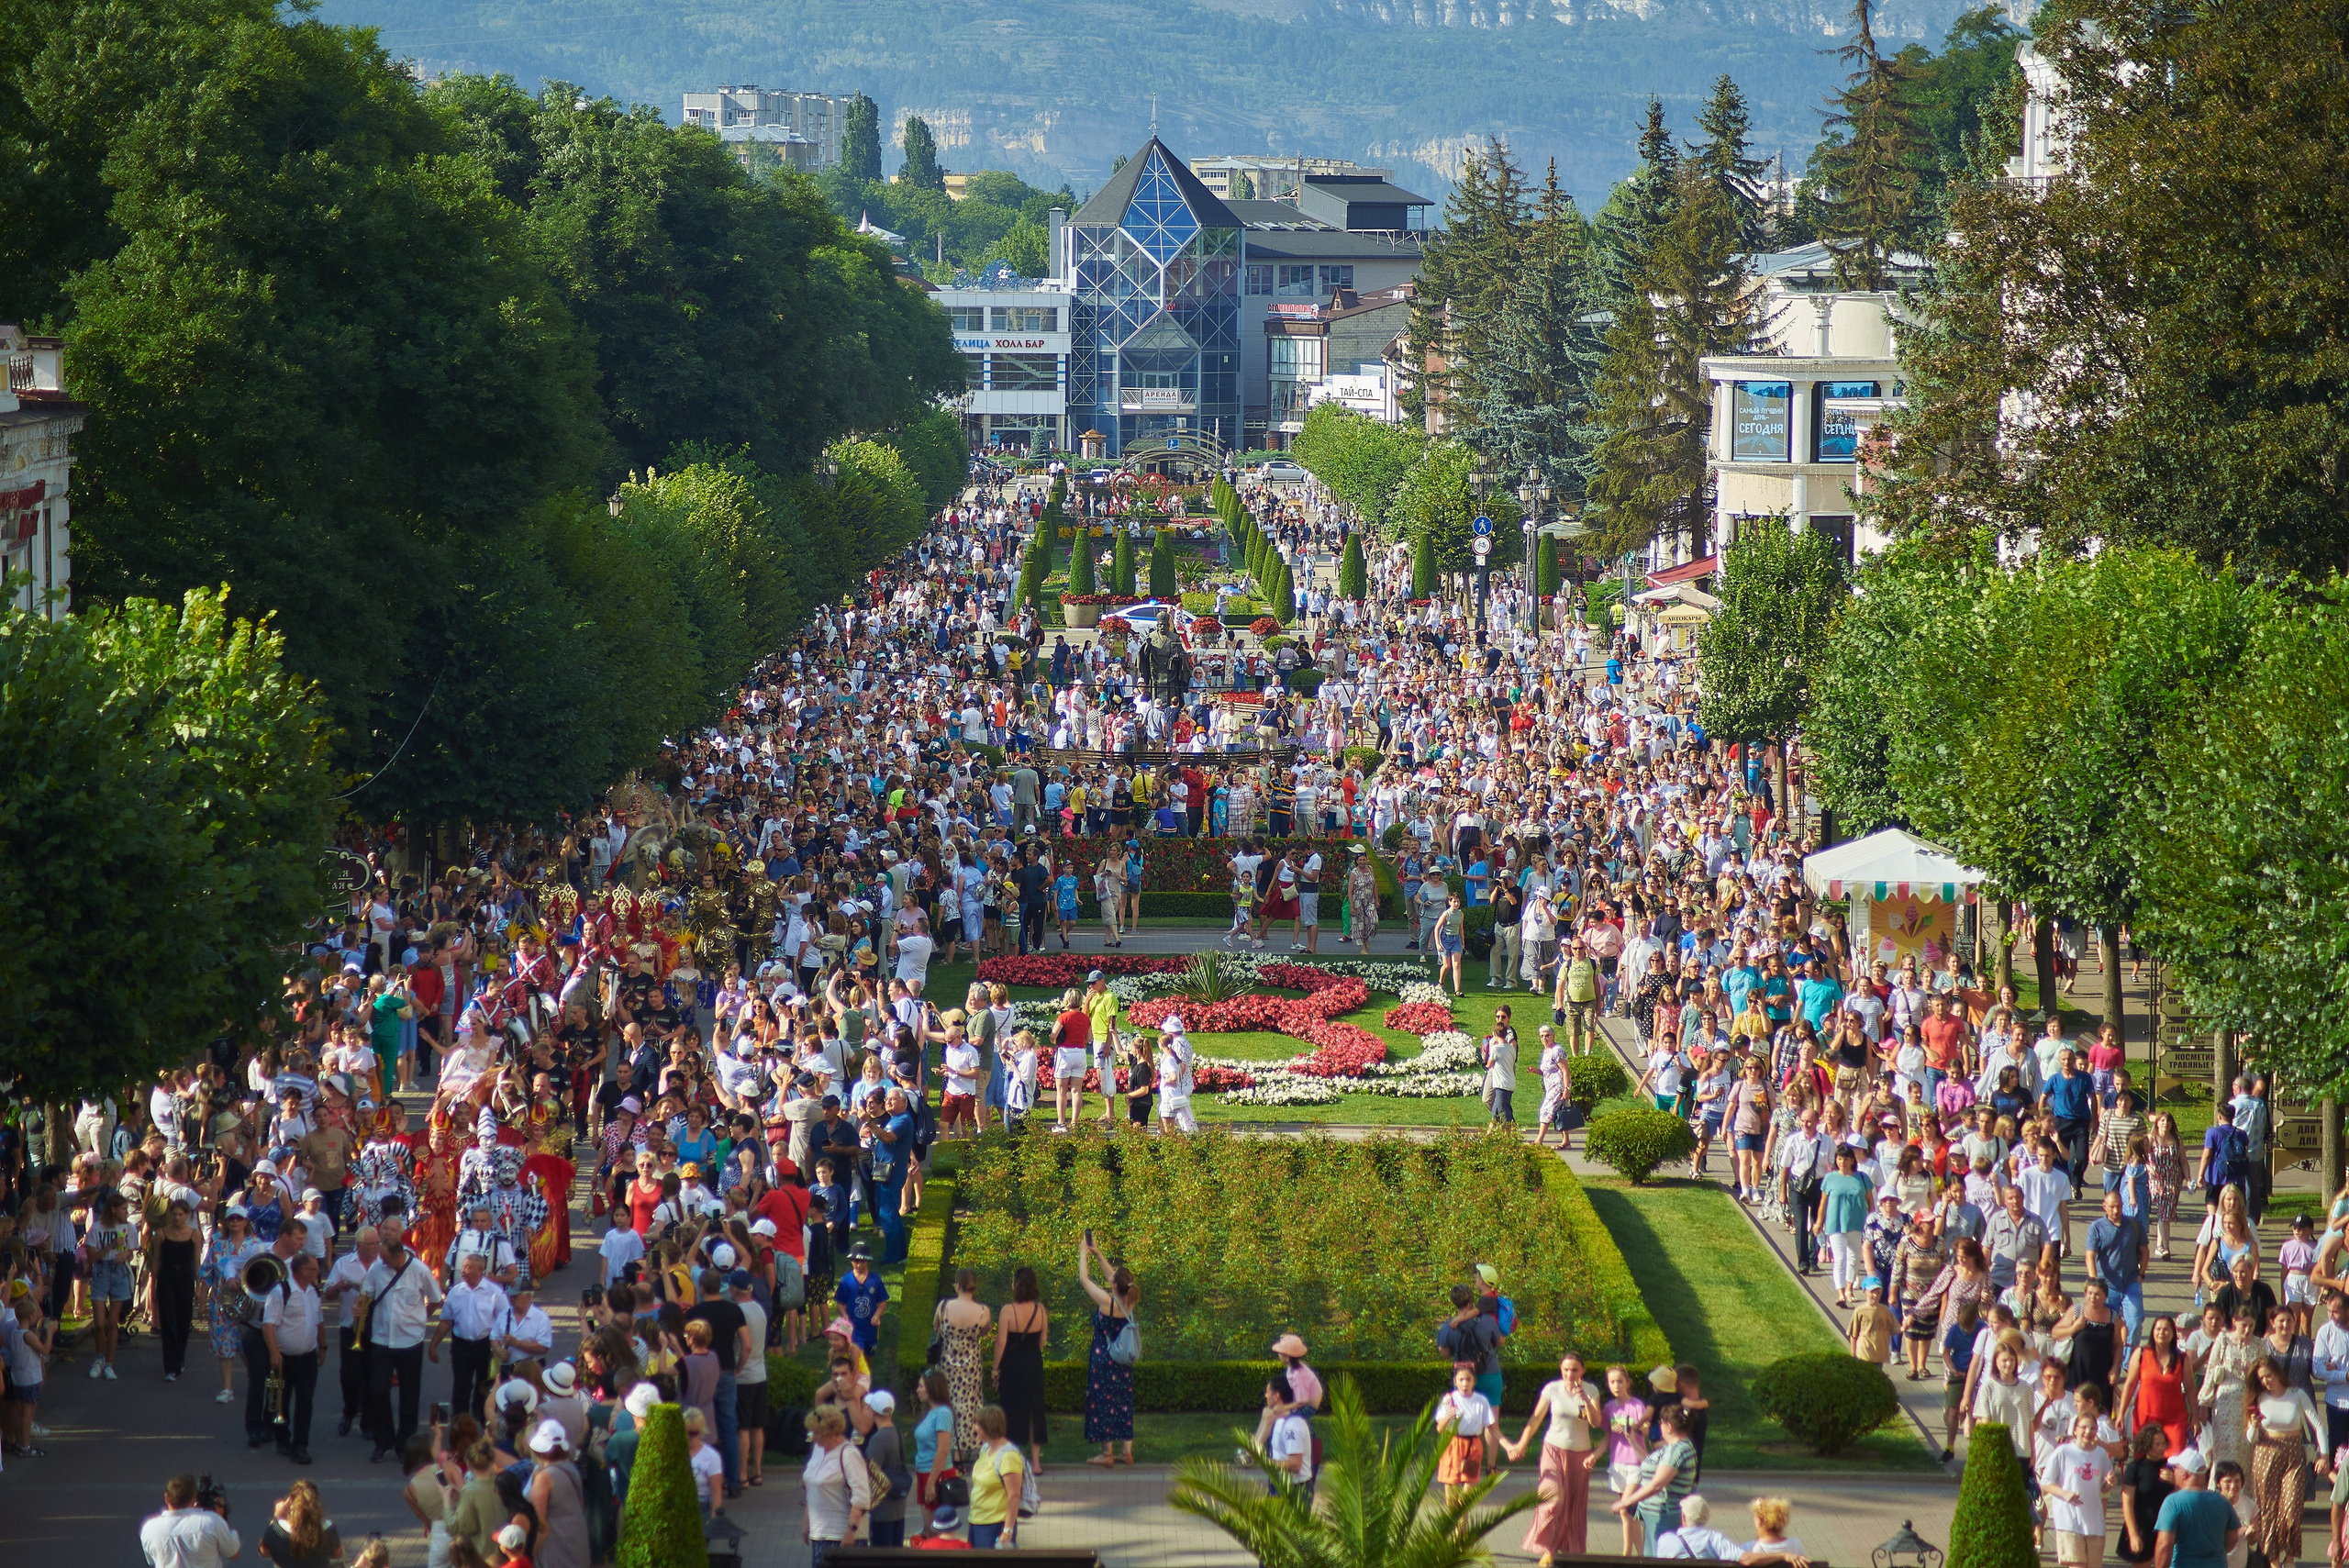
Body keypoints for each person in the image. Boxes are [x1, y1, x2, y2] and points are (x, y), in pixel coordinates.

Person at [1503, 1351, 1603, 1563]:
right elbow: (1536, 1417)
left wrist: (1584, 1398)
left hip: (1580, 1454)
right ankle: (1547, 1546)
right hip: (1553, 1448)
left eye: (1574, 1370)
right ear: (1561, 1369)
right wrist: (1522, 1444)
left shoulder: (1591, 1390)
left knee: (1573, 1506)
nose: (1570, 1374)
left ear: (1583, 1370)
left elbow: (1595, 1422)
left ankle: (1565, 1552)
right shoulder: (1552, 1389)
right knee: (1552, 1498)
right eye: (1566, 1369)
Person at [1077, 1232, 1138, 1466]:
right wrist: (1098, 1252)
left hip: (1104, 1359)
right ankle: (1127, 1452)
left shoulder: (1106, 1302)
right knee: (1123, 1401)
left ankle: (1107, 1453)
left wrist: (1084, 1252)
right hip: (1123, 1360)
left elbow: (1085, 1279)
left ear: (1114, 1285)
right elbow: (1115, 1278)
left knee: (1104, 1402)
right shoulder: (1129, 1301)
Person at [994, 1266, 1050, 1475]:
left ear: (1016, 1285)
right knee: (1035, 1410)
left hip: (1013, 1365)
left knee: (1011, 1409)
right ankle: (1036, 1462)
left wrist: (995, 1368)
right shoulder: (1041, 1310)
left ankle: (1013, 1458)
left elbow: (1001, 1343)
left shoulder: (1008, 1310)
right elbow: (1043, 1340)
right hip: (1034, 1363)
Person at [803, 1405, 873, 1562]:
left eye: (816, 1433)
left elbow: (861, 1497)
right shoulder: (818, 1449)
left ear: (832, 1434)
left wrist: (850, 1531)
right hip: (819, 1532)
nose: (812, 1437)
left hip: (842, 1537)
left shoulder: (849, 1454)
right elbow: (811, 1488)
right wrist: (806, 1521)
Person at [2154, 1449, 2240, 1568]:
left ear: (2184, 1474)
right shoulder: (2222, 1501)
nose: (2173, 1472)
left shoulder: (2173, 1502)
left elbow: (2164, 1545)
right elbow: (2233, 1538)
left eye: (2175, 1469)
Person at [141, 1474, 242, 1568]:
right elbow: (233, 1553)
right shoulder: (211, 1522)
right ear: (194, 1498)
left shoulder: (149, 1529)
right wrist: (221, 1518)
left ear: (167, 1498)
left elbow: (152, 1561)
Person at [1434, 1362, 1498, 1506]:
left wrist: (1507, 1444)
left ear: (1474, 1381)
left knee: (1465, 1499)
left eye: (1468, 1379)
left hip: (1473, 1446)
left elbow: (1492, 1427)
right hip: (1453, 1445)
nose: (1465, 1383)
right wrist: (1447, 1417)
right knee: (1451, 1495)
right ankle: (1454, 1526)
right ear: (1455, 1381)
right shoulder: (1449, 1399)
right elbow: (1439, 1429)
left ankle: (1461, 1528)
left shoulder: (1481, 1401)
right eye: (1461, 1380)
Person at [967, 1404, 1025, 1551]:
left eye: (977, 1424)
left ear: (988, 1426)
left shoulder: (1008, 1456)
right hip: (977, 1521)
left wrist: (1007, 1531)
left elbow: (1014, 1495)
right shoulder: (986, 1448)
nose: (974, 1427)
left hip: (994, 1525)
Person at [255, 1480, 340, 1568]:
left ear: (291, 1500)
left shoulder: (276, 1530)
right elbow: (337, 1554)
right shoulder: (329, 1529)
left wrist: (276, 1517)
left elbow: (263, 1552)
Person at [1654, 1495, 1742, 1560]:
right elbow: (1743, 1557)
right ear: (1707, 1518)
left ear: (1683, 1517)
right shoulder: (1715, 1539)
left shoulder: (1666, 1539)